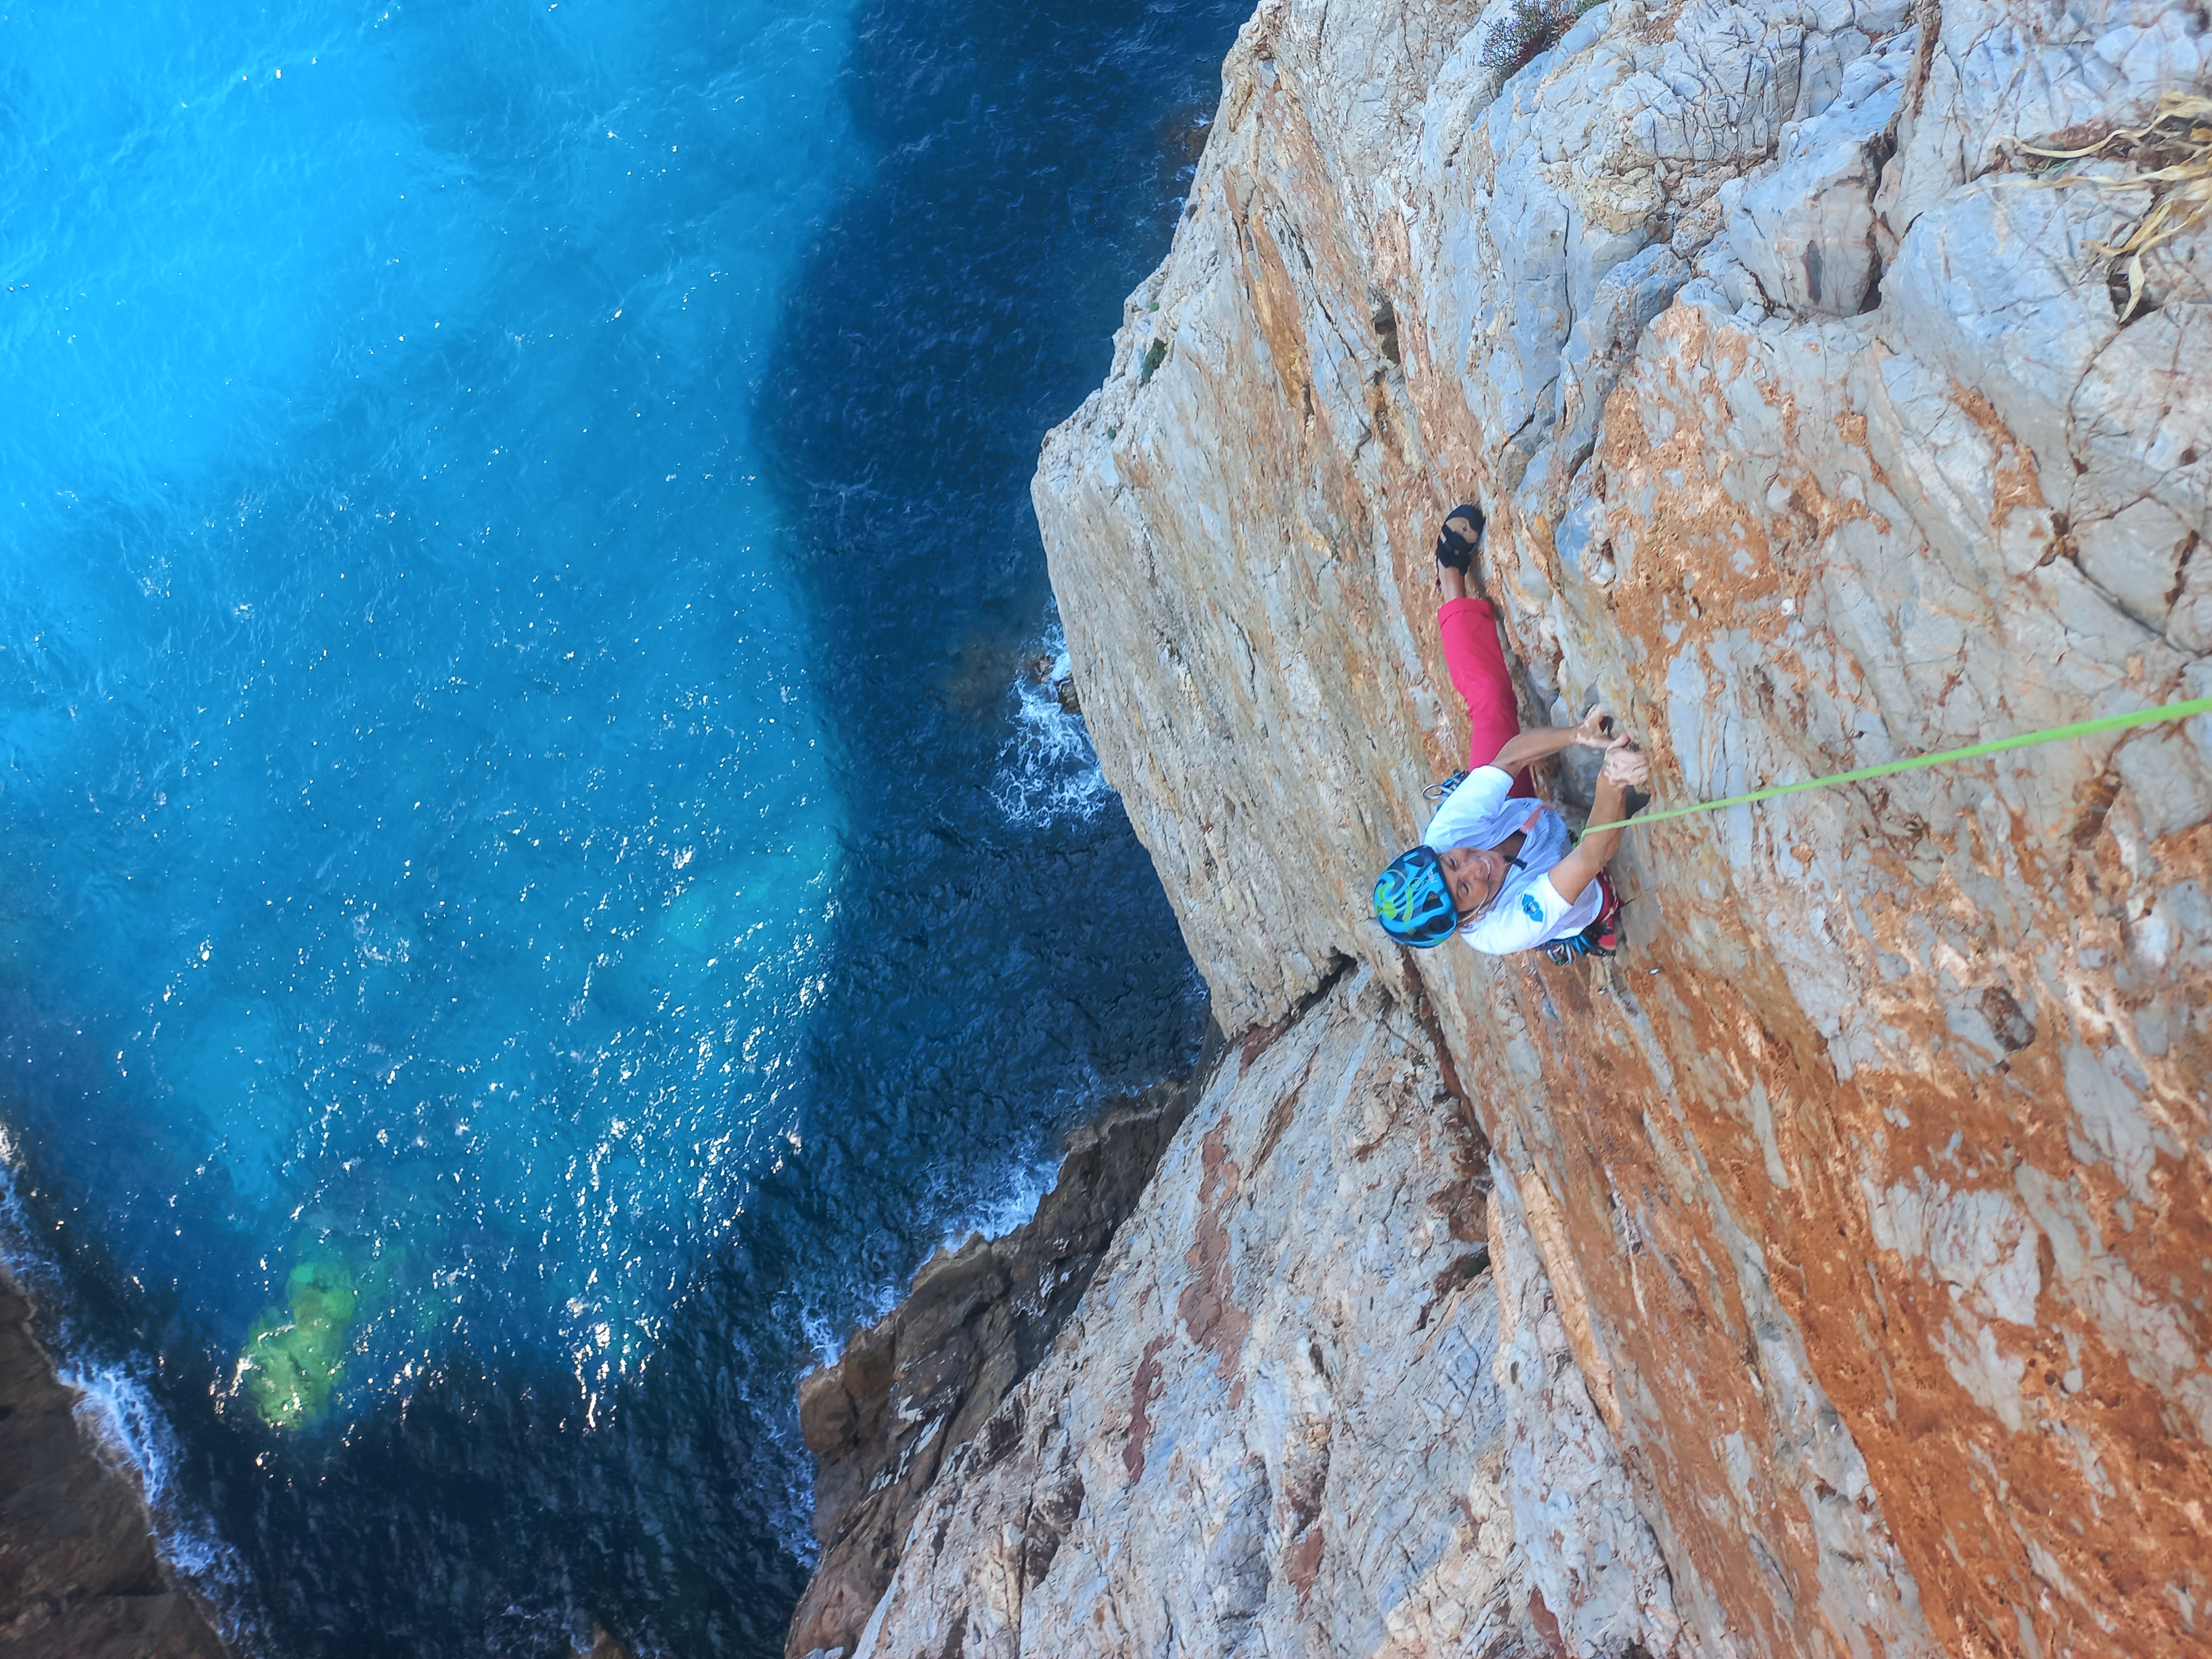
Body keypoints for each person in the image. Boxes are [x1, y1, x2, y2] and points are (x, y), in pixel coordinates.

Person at [1372, 504, 1652, 959]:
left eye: (1452, 862)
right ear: (1468, 919)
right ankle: (1582, 928)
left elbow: (1511, 757)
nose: (1473, 867)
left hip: (1516, 809)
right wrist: (1612, 778)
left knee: (1490, 700)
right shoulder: (1503, 929)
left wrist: (1578, 735)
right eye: (1465, 889)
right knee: (1591, 896)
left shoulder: (1448, 831)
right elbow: (1590, 856)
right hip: (1569, 876)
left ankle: (1449, 576)